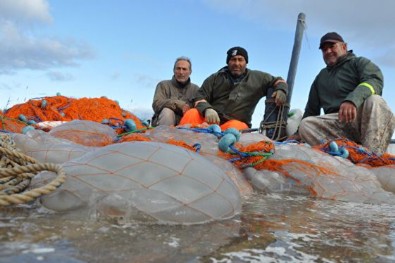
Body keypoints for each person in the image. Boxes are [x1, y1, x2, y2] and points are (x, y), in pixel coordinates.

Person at [289, 32, 395, 155]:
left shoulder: (359, 63)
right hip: (337, 124)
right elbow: (311, 110)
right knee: (306, 125)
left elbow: (374, 80)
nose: (328, 51)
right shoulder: (320, 78)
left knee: (375, 101)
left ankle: (371, 156)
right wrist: (297, 134)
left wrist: (352, 100)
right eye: (324, 49)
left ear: (344, 47)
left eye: (332, 46)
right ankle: (345, 154)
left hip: (362, 118)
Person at [179, 46, 289, 139]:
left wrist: (281, 89)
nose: (237, 63)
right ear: (228, 62)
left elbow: (278, 80)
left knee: (235, 129)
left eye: (240, 59)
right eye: (233, 59)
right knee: (192, 113)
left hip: (235, 123)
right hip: (210, 121)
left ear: (246, 62)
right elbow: (199, 95)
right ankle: (181, 142)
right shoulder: (215, 78)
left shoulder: (258, 77)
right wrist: (207, 109)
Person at [151, 56, 199, 126]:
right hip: (164, 124)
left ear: (190, 72)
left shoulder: (196, 89)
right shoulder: (163, 85)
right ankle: (164, 136)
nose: (181, 72)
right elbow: (156, 104)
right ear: (173, 70)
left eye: (184, 69)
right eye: (178, 69)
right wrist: (179, 105)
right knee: (167, 112)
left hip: (186, 125)